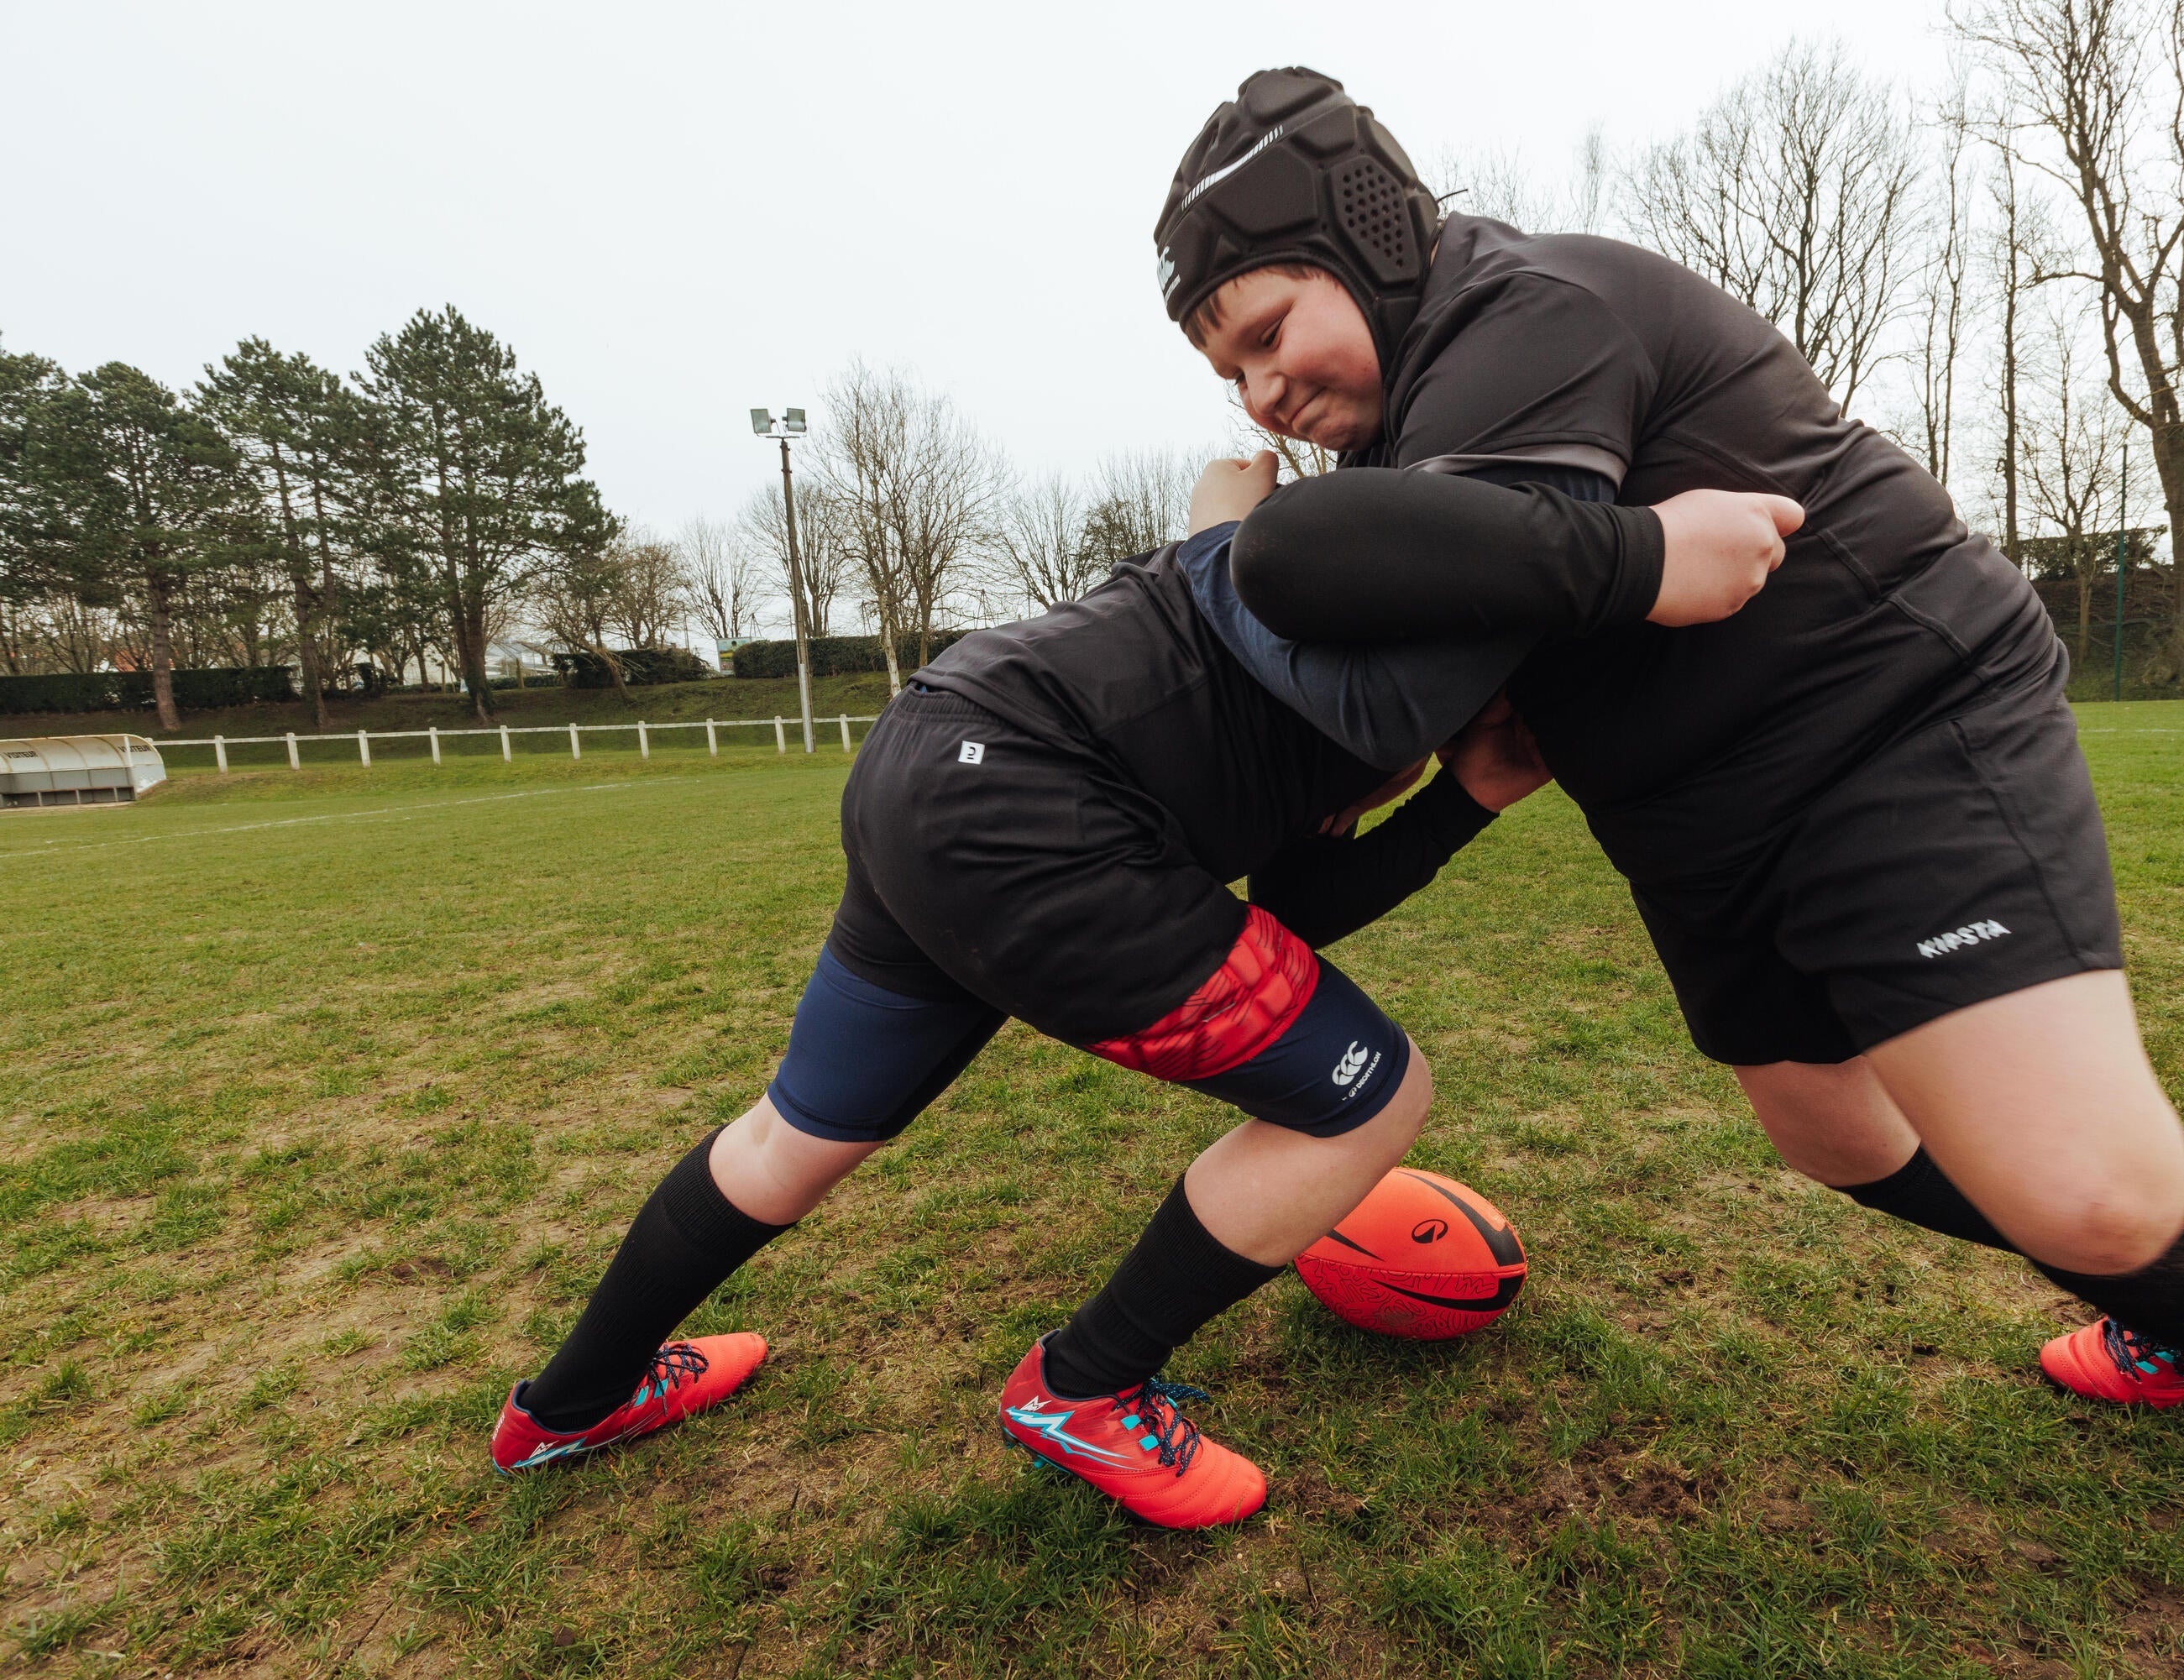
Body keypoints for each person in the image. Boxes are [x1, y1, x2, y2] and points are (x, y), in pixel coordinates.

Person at [1151, 66, 2184, 1671]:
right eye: (1224, 371)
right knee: (1846, 1140)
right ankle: (2176, 1299)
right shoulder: (1430, 430)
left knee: (2079, 1181)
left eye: (1270, 330)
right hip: (1700, 812)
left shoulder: (1527, 309)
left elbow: (1351, 614)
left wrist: (1224, 557)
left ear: (1369, 241)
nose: (1259, 397)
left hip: (1891, 723)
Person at [484, 460, 1754, 1527]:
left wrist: (1460, 798)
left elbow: (1292, 898)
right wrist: (1471, 786)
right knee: (1371, 1098)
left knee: (797, 1134)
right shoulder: (1416, 644)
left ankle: (566, 1402)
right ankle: (1081, 1389)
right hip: (1035, 810)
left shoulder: (1346, 603)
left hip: (930, 750)